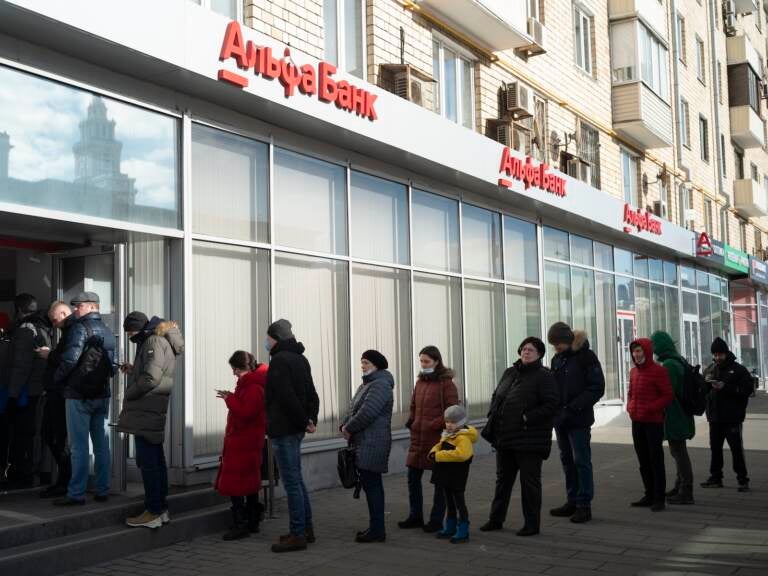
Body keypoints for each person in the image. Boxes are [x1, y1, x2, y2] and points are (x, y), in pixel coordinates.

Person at [480, 337, 557, 537]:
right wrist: (493, 414)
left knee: (529, 483)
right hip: (505, 436)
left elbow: (551, 405)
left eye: (531, 349)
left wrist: (526, 418)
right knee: (502, 480)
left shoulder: (544, 376)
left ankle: (532, 524)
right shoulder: (510, 372)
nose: (526, 352)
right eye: (523, 349)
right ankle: (495, 519)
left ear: (539, 354)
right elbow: (497, 395)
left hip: (529, 439)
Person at [117, 311, 184, 528]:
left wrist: (129, 392)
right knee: (156, 461)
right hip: (153, 408)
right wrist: (134, 370)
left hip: (146, 409)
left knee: (148, 463)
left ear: (136, 328)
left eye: (129, 332)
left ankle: (153, 510)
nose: (129, 336)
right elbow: (153, 373)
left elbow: (151, 378)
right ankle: (160, 509)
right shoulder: (160, 339)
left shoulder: (152, 341)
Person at [52, 292, 116, 506]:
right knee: (101, 445)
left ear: (91, 307)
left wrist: (57, 381)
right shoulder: (108, 331)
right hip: (101, 395)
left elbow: (70, 360)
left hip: (78, 396)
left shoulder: (80, 328)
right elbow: (112, 366)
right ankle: (102, 489)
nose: (75, 310)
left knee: (78, 447)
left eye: (78, 306)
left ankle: (76, 493)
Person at [264, 319, 319, 553]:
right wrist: (310, 420)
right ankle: (305, 529)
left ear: (276, 338)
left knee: (292, 483)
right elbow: (311, 393)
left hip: (284, 428)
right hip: (295, 428)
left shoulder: (279, 361)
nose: (266, 343)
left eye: (268, 338)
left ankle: (298, 534)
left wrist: (301, 420)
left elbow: (286, 397)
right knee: (297, 480)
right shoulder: (300, 358)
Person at [547, 323, 605, 524]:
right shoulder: (557, 360)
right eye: (554, 345)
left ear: (568, 339)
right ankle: (572, 500)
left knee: (581, 461)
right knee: (567, 461)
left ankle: (584, 504)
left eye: (558, 344)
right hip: (561, 420)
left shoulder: (586, 357)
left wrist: (572, 408)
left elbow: (597, 387)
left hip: (578, 419)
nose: (556, 348)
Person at [399, 346, 459, 533]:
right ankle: (415, 516)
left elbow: (453, 410)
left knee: (439, 481)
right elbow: (414, 405)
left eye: (426, 361)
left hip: (437, 438)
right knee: (412, 477)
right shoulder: (420, 382)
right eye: (421, 361)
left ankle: (435, 519)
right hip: (418, 437)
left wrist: (435, 423)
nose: (423, 365)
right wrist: (412, 421)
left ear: (436, 362)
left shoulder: (446, 384)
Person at [340, 350, 394, 544]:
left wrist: (349, 427)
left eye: (366, 362)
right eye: (361, 362)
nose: (362, 366)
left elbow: (367, 413)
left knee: (373, 486)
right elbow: (352, 408)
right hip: (364, 442)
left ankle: (378, 530)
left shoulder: (380, 385)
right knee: (371, 485)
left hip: (373, 442)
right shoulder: (367, 384)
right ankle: (375, 527)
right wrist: (344, 425)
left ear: (377, 365)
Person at [215, 351, 268, 540]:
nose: (233, 373)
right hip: (247, 442)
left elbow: (246, 413)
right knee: (248, 483)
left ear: (242, 368)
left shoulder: (252, 387)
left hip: (243, 442)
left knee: (236, 484)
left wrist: (229, 399)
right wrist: (231, 397)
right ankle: (252, 520)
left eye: (235, 369)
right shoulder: (251, 384)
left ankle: (241, 524)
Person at [3, 294, 52, 489]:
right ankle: (27, 472)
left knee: (21, 434)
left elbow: (20, 366)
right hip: (36, 390)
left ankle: (21, 475)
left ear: (18, 310)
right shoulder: (42, 327)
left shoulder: (25, 330)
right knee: (30, 433)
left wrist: (12, 395)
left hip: (26, 392)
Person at [700, 337, 753, 492]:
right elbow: (704, 390)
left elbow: (747, 390)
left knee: (736, 449)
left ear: (726, 353)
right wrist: (704, 384)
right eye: (715, 355)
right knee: (715, 448)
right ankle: (716, 477)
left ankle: (742, 479)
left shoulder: (738, 370)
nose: (717, 358)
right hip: (715, 418)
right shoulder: (710, 369)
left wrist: (726, 387)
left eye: (720, 355)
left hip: (732, 418)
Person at [627, 338, 673, 511]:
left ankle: (659, 498)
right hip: (637, 421)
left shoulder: (659, 371)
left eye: (639, 351)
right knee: (643, 460)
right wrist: (629, 407)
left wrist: (651, 408)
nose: (636, 355)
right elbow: (631, 392)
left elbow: (668, 395)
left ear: (646, 351)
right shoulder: (633, 372)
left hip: (653, 422)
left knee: (655, 460)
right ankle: (649, 494)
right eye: (634, 351)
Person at [650, 331, 695, 505]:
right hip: (682, 413)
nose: (653, 350)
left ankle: (686, 490)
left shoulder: (669, 365)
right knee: (678, 451)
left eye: (654, 345)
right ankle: (679, 486)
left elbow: (667, 392)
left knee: (679, 452)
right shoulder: (678, 360)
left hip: (675, 414)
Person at [37, 301, 74, 498]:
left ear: (62, 313)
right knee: (50, 435)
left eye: (54, 319)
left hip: (61, 393)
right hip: (55, 392)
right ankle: (64, 481)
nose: (53, 324)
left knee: (58, 438)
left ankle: (66, 482)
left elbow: (67, 361)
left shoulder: (73, 332)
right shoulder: (68, 332)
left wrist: (48, 354)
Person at [428, 404, 477, 544]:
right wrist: (433, 451)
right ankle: (450, 525)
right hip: (446, 473)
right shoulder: (448, 434)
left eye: (453, 422)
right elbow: (440, 445)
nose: (449, 425)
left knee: (459, 501)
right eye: (447, 421)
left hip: (457, 475)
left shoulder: (463, 438)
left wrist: (439, 455)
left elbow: (462, 455)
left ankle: (463, 528)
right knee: (448, 500)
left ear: (460, 423)